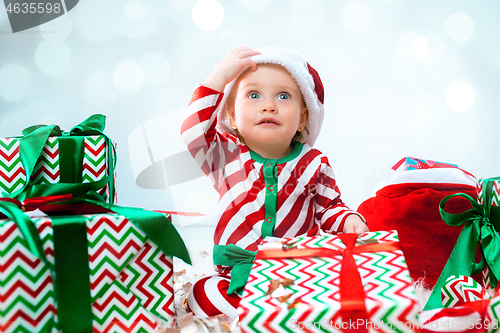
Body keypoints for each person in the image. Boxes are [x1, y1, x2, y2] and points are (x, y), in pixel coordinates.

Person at [181, 46, 368, 318]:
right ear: (232, 115)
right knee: (204, 293)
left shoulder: (314, 162)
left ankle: (280, 313)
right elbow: (192, 133)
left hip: (297, 271)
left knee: (333, 295)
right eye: (253, 95)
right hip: (237, 274)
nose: (268, 105)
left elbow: (329, 208)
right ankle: (265, 313)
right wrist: (218, 78)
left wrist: (348, 220)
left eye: (283, 96)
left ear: (303, 118)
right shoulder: (224, 155)